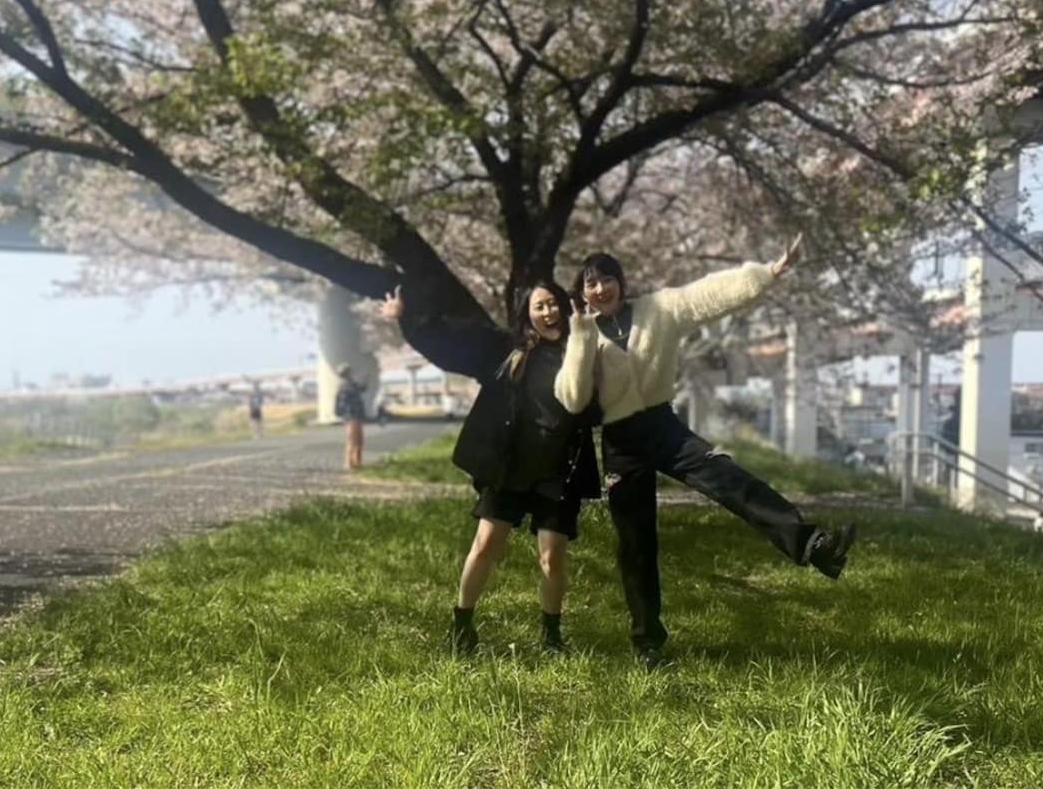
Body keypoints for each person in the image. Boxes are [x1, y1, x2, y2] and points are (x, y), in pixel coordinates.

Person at [554, 237, 856, 668]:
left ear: (621, 282)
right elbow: (572, 398)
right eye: (591, 284)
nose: (600, 289)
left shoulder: (658, 310)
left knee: (728, 477)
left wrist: (767, 273)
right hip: (621, 442)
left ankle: (812, 544)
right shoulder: (583, 333)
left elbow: (708, 294)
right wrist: (581, 337)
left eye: (607, 279)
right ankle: (647, 643)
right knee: (636, 543)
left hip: (664, 428)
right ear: (582, 293)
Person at [376, 282, 601, 654]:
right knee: (484, 546)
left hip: (559, 469)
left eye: (554, 304)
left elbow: (597, 406)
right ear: (527, 315)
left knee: (552, 557)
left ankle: (551, 638)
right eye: (540, 306)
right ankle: (462, 627)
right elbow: (450, 346)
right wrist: (407, 319)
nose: (549, 313)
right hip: (510, 466)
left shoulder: (581, 350)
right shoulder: (506, 349)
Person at [334, 364, 368, 470]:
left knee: (359, 440)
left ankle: (357, 462)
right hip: (351, 416)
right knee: (352, 440)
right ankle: (349, 463)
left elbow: (362, 389)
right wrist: (346, 415)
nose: (351, 373)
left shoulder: (351, 384)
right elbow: (342, 404)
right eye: (349, 372)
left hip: (356, 415)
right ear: (346, 373)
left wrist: (365, 380)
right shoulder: (344, 386)